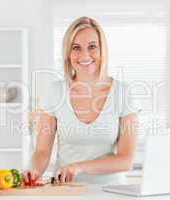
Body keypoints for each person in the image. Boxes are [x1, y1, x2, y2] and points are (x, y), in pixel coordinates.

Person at [23, 16, 138, 184]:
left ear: (102, 50)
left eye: (92, 47)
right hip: (66, 190)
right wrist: (33, 171)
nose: (85, 55)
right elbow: (41, 151)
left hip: (110, 191)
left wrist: (79, 167)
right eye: (76, 48)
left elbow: (125, 160)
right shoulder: (55, 92)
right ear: (68, 54)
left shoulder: (123, 92)